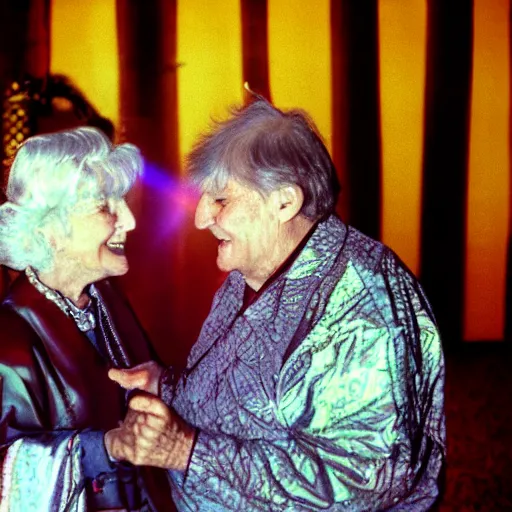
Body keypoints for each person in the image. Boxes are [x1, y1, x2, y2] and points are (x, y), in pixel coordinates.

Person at [106, 99, 446, 511]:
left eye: (221, 200)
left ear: (284, 202)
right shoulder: (253, 272)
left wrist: (186, 452)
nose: (200, 219)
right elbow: (243, 397)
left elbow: (363, 482)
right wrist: (168, 385)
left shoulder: (362, 310)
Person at [0, 127, 174, 511]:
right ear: (49, 230)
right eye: (104, 206)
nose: (128, 220)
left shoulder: (108, 304)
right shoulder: (8, 340)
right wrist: (106, 447)